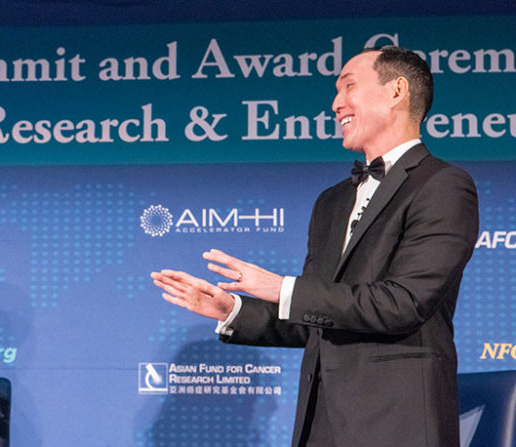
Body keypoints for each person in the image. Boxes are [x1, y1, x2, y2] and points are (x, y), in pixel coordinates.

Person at [151, 46, 479, 446]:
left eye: (348, 86)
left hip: (396, 423)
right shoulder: (332, 201)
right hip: (320, 423)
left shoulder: (442, 186)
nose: (335, 104)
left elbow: (403, 304)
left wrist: (281, 287)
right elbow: (314, 316)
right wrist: (231, 309)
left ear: (396, 91)